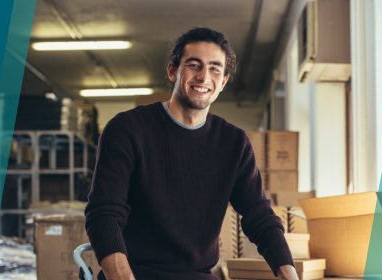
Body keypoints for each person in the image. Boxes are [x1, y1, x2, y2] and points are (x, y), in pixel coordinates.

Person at [85, 27, 298, 280]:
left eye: (215, 68)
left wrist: (289, 274)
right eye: (194, 65)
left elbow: (260, 216)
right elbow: (104, 214)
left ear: (224, 81)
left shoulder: (234, 142)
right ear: (173, 71)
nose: (204, 76)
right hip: (136, 274)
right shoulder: (127, 129)